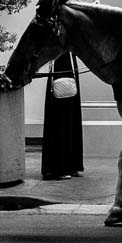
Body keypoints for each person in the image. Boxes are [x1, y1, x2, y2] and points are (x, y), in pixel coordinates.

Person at [40, 50, 83, 180]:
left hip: (66, 65)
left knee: (67, 118)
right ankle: (60, 167)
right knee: (62, 118)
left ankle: (69, 165)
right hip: (62, 66)